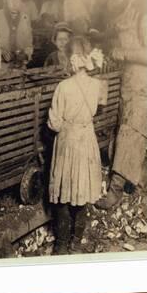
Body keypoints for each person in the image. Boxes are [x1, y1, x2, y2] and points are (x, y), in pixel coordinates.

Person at [47, 38, 106, 254]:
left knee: (63, 191)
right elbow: (98, 110)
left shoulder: (63, 87)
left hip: (68, 140)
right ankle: (76, 243)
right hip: (87, 140)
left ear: (73, 60)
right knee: (83, 190)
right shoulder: (97, 85)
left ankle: (61, 244)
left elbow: (54, 123)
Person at [96, 0, 147, 209]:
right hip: (129, 85)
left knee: (131, 134)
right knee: (126, 134)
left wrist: (124, 53)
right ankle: (138, 181)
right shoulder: (129, 16)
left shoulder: (146, 18)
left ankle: (115, 192)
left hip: (142, 87)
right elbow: (117, 32)